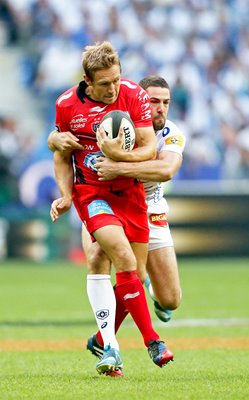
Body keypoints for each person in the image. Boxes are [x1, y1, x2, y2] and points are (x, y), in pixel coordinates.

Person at [48, 42, 174, 377]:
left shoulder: (132, 94)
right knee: (117, 256)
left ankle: (103, 343)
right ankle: (147, 342)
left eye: (116, 80)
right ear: (87, 81)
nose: (113, 89)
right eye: (105, 84)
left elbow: (148, 149)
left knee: (139, 276)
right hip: (92, 194)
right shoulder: (66, 105)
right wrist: (65, 195)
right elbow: (60, 154)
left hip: (131, 196)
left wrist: (117, 158)